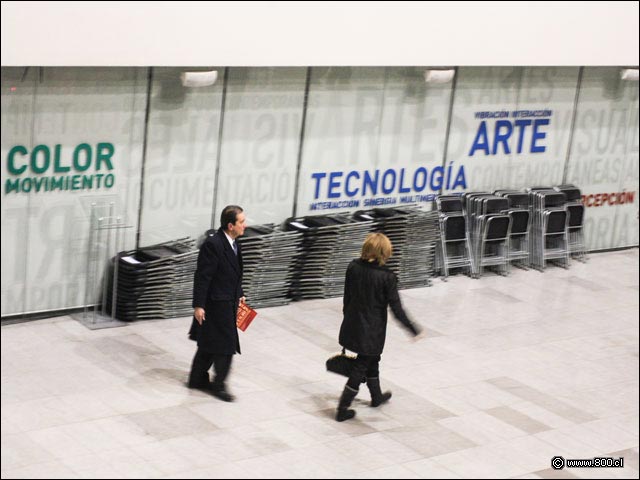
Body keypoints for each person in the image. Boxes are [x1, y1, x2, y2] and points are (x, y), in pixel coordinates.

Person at [336, 232, 424, 422]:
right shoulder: (387, 276)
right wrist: (412, 329)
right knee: (362, 364)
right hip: (372, 329)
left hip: (353, 323)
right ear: (384, 252)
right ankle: (343, 407)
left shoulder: (353, 267)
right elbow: (396, 308)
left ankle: (376, 396)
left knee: (372, 359)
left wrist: (348, 318)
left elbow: (347, 297)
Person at [188, 205, 247, 402]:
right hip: (216, 304)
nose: (245, 225)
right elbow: (203, 276)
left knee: (208, 343)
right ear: (231, 225)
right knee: (225, 346)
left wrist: (240, 293)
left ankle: (196, 378)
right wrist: (199, 305)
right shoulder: (213, 245)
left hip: (228, 301)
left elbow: (233, 274)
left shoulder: (233, 243)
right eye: (241, 222)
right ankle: (219, 385)